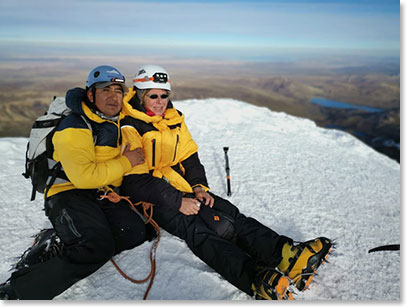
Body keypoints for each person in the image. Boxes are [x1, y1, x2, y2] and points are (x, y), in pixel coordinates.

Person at [118, 64, 333, 300]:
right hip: (152, 198)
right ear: (140, 95)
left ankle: (287, 256)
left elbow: (189, 156)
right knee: (198, 230)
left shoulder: (173, 119)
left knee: (227, 213)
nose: (160, 101)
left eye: (164, 95)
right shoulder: (130, 126)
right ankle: (255, 280)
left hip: (179, 185)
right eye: (153, 96)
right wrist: (179, 201)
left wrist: (199, 186)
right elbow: (134, 182)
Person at [0, 65, 150, 300]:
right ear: (90, 95)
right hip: (66, 193)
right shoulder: (74, 125)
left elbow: (104, 169)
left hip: (98, 191)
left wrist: (116, 181)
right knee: (96, 246)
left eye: (118, 90)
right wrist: (126, 162)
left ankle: (67, 235)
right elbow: (83, 177)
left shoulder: (113, 121)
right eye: (105, 90)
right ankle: (16, 292)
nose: (113, 96)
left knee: (134, 232)